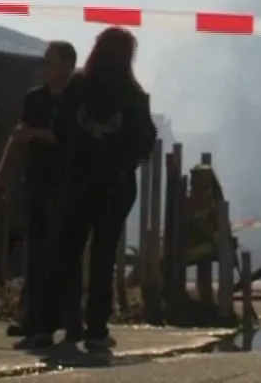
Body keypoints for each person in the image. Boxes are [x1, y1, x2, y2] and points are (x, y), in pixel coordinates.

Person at [51, 27, 157, 353]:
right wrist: (124, 163)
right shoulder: (133, 94)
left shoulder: (77, 87)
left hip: (79, 182)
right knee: (104, 254)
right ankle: (97, 327)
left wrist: (75, 157)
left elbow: (59, 128)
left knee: (70, 251)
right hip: (115, 185)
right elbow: (146, 140)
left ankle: (71, 322)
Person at [0, 40, 80, 347]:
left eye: (51, 62)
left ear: (68, 66)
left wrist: (35, 134)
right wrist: (3, 174)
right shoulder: (35, 98)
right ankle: (34, 319)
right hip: (37, 182)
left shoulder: (76, 100)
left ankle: (63, 320)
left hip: (67, 185)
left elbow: (67, 138)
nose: (45, 67)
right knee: (36, 252)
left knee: (60, 254)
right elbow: (18, 137)